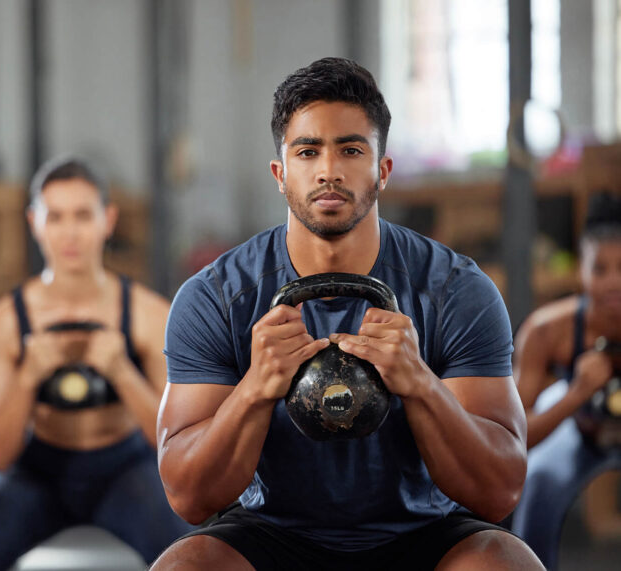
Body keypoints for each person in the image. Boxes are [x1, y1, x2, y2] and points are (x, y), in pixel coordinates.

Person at [152, 57, 543, 570]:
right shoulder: (216, 296)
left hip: (420, 532)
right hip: (273, 533)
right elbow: (188, 498)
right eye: (308, 151)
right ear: (280, 173)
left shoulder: (456, 290)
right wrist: (256, 387)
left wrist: (419, 381)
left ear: (382, 169)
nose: (328, 170)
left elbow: (500, 490)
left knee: (504, 562)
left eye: (351, 150)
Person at [0, 157, 193, 570]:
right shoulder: (1, 323)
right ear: (35, 223)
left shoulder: (150, 314)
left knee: (190, 559)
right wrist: (29, 375)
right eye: (56, 217)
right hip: (39, 466)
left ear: (108, 220)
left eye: (83, 216)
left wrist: (122, 372)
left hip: (125, 465)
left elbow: (176, 442)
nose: (70, 233)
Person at [510, 192, 621, 570]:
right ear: (581, 271)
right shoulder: (547, 331)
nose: (613, 283)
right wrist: (577, 393)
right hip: (579, 433)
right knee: (540, 479)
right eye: (600, 269)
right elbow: (514, 437)